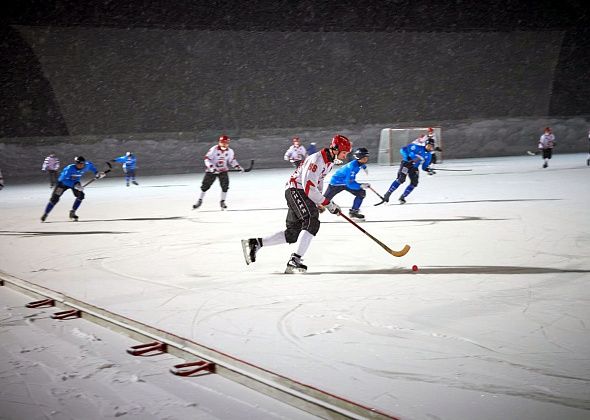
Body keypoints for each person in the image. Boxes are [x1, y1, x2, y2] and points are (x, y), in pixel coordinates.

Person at [241, 134, 352, 274]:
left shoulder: (329, 162)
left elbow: (319, 181)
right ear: (335, 149)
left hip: (299, 191)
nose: (345, 156)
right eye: (344, 153)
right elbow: (308, 188)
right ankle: (295, 261)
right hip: (296, 190)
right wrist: (328, 204)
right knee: (312, 221)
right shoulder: (317, 160)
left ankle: (255, 243)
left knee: (293, 234)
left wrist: (320, 201)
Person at [40, 156, 105, 222]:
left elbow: (91, 166)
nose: (81, 166)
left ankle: (73, 212)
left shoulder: (86, 166)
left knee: (81, 195)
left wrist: (97, 173)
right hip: (62, 184)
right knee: (54, 199)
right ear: (76, 163)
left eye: (82, 164)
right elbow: (63, 179)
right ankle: (46, 213)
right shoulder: (69, 168)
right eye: (79, 164)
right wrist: (75, 185)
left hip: (75, 182)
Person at [193, 135, 244, 210]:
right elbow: (207, 159)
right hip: (211, 171)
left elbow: (232, 160)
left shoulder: (230, 151)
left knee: (225, 186)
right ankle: (200, 200)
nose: (224, 145)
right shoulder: (214, 149)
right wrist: (212, 168)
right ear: (220, 142)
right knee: (205, 186)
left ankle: (222, 201)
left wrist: (237, 166)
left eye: (226, 143)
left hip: (223, 171)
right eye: (223, 143)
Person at [380, 137, 436, 204]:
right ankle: (387, 194)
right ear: (425, 144)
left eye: (431, 146)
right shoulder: (416, 147)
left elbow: (424, 167)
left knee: (414, 183)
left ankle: (402, 197)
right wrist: (407, 157)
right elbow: (402, 149)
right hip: (406, 164)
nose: (430, 147)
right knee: (401, 179)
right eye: (428, 146)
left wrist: (428, 169)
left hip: (414, 168)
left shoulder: (429, 155)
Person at [323, 147, 370, 220]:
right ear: (359, 157)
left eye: (367, 157)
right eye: (364, 158)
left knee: (361, 193)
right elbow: (349, 183)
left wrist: (364, 167)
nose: (366, 159)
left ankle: (354, 212)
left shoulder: (359, 162)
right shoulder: (352, 167)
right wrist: (360, 185)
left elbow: (349, 181)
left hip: (345, 181)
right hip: (336, 183)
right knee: (323, 201)